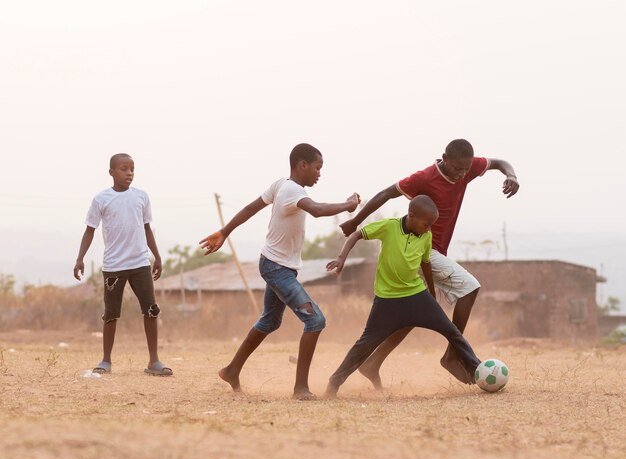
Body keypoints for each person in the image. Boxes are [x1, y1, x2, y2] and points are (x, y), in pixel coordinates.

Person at [340, 139, 519, 388]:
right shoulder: (424, 178)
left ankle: (373, 363)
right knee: (470, 287)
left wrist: (511, 175)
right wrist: (355, 220)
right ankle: (452, 356)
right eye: (457, 168)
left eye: (466, 170)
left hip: (432, 252)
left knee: (413, 314)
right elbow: (385, 193)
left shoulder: (466, 168)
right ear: (444, 157)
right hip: (423, 249)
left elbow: (498, 162)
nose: (461, 175)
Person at [200, 143, 361, 400]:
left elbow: (250, 208)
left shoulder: (280, 185)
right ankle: (300, 389)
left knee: (270, 320)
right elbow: (318, 210)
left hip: (278, 265)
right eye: (318, 168)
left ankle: (231, 370)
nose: (319, 174)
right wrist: (347, 204)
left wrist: (224, 231)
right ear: (302, 165)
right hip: (276, 268)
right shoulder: (291, 190)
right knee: (315, 320)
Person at [324, 195, 481, 398]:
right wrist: (341, 258)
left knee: (452, 332)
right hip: (387, 299)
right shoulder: (389, 227)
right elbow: (356, 235)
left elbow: (425, 263)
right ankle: (333, 383)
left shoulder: (425, 235)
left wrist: (431, 294)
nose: (428, 228)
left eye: (431, 225)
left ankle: (478, 370)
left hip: (416, 294)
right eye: (426, 224)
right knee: (365, 344)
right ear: (411, 216)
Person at [73, 153, 172, 376]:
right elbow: (90, 230)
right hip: (113, 266)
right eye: (124, 169)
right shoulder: (101, 199)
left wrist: (156, 255)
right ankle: (106, 360)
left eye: (132, 169)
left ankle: (154, 361)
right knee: (111, 314)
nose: (129, 173)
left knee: (151, 310)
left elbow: (146, 228)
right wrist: (80, 259)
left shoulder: (141, 197)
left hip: (140, 263)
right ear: (111, 172)